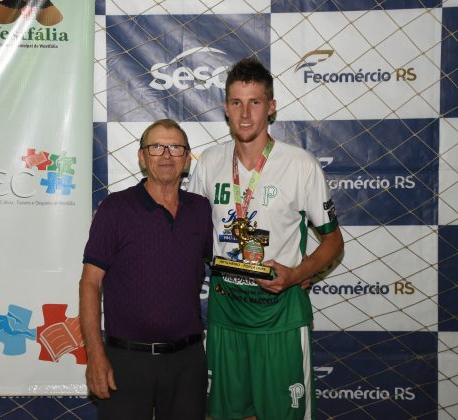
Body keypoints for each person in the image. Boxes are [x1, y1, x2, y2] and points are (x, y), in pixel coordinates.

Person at [188, 57, 344, 420]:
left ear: (271, 107)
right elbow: (190, 236)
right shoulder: (209, 162)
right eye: (236, 102)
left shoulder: (300, 164)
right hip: (226, 317)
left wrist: (298, 273)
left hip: (280, 318)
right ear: (225, 108)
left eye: (255, 102)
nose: (245, 114)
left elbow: (334, 242)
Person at [79, 119, 213, 420]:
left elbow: (225, 261)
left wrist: (291, 272)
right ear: (142, 157)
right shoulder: (115, 208)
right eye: (156, 147)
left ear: (187, 158)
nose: (166, 155)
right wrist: (95, 355)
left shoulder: (201, 210)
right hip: (126, 361)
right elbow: (90, 283)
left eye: (175, 147)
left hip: (188, 362)